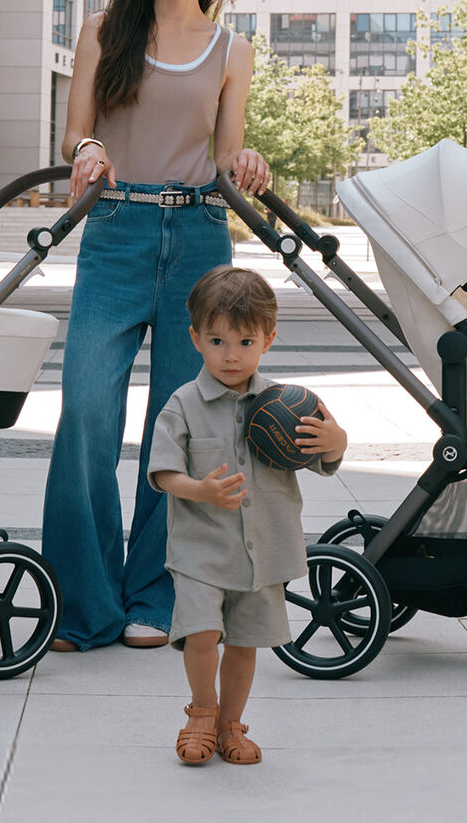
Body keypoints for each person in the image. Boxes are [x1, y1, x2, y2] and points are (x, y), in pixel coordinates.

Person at [44, 0, 272, 652]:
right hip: (116, 228)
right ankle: (83, 604)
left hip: (201, 237)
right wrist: (86, 151)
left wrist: (248, 160)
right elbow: (77, 130)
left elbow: (226, 156)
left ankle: (156, 594)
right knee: (85, 414)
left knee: (183, 425)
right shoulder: (105, 32)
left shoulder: (232, 50)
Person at [147, 266, 347, 765]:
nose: (230, 354)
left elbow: (327, 454)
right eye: (217, 340)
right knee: (201, 633)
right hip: (201, 549)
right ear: (195, 338)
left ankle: (231, 725)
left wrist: (336, 440)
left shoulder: (290, 404)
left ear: (268, 340)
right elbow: (163, 473)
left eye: (244, 341)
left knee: (243, 644)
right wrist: (201, 490)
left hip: (265, 551)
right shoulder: (183, 405)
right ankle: (201, 713)